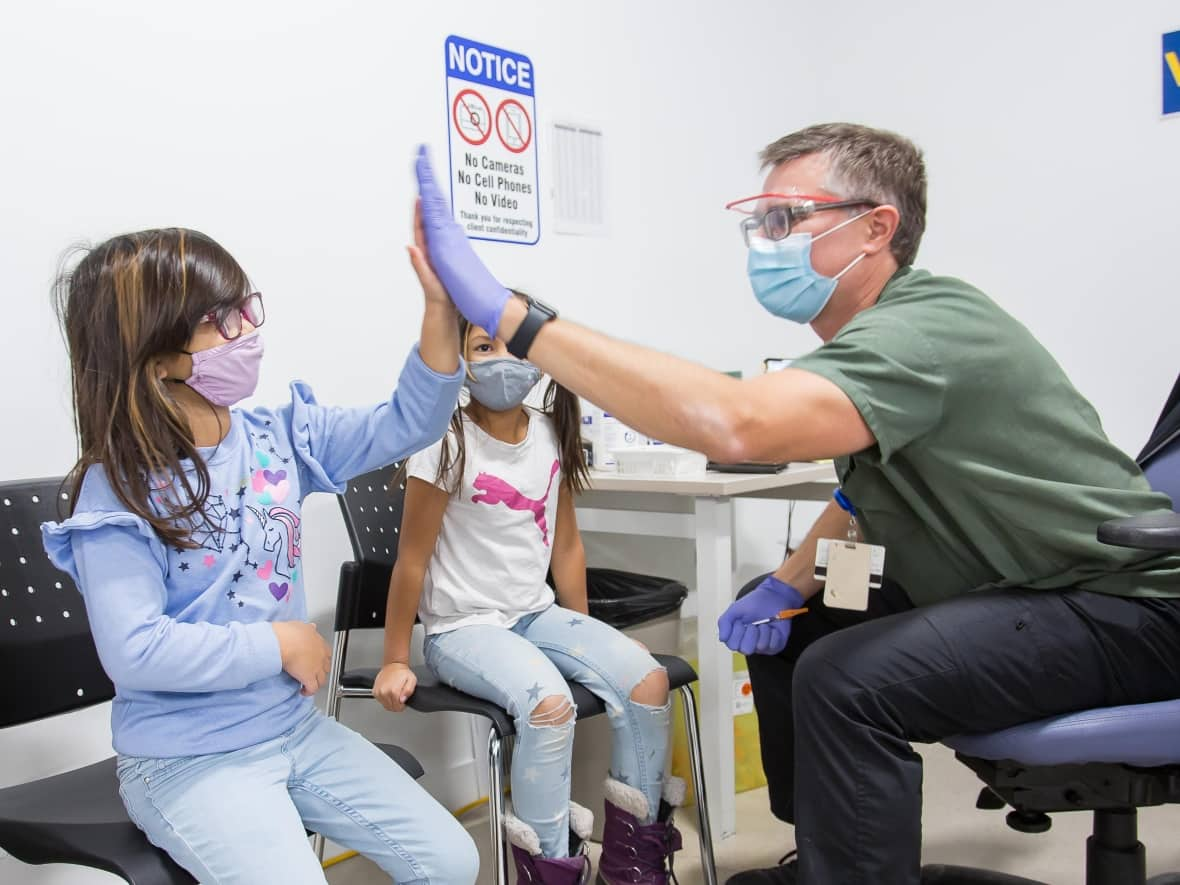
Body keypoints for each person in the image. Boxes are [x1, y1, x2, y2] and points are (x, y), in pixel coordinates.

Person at [407, 125, 1180, 885]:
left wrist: (514, 319)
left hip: (1120, 607)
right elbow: (860, 492)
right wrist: (786, 584)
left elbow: (734, 423)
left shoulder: (928, 328)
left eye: (785, 220)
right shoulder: (873, 340)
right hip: (1016, 590)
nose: (764, 241)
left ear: (877, 227)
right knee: (790, 629)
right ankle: (829, 854)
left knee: (849, 678)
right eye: (758, 223)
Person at [40, 228, 479, 885]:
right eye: (223, 320)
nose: (248, 330)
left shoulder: (281, 437)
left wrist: (440, 312)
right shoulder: (119, 487)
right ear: (158, 357)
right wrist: (277, 644)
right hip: (185, 759)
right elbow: (136, 649)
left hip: (294, 730)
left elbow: (407, 423)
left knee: (451, 859)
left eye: (247, 307)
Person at [372, 302, 684, 885]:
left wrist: (586, 640)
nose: (502, 360)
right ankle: (549, 870)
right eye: (483, 347)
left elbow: (566, 548)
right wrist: (394, 659)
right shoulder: (444, 440)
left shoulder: (549, 434)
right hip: (463, 628)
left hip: (534, 615)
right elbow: (410, 560)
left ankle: (633, 866)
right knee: (549, 706)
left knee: (647, 679)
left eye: (514, 344)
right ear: (460, 359)